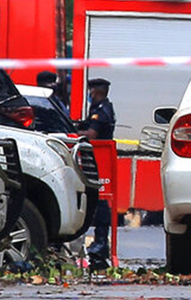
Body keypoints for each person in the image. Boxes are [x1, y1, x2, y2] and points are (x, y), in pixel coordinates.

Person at [83, 78, 116, 269]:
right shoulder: (102, 108)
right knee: (99, 201)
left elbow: (93, 134)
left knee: (101, 201)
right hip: (98, 161)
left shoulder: (101, 111)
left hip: (99, 161)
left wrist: (76, 132)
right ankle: (100, 243)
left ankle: (101, 243)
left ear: (96, 91)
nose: (90, 94)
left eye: (91, 90)